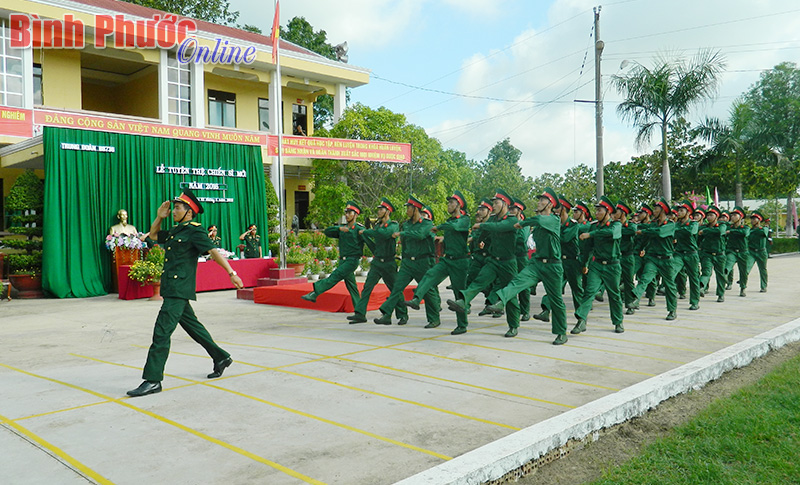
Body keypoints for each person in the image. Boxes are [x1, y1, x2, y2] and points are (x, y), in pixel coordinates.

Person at [127, 188, 244, 397]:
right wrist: (159, 217)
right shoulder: (176, 230)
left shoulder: (195, 231)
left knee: (161, 332)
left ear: (189, 211)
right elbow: (152, 236)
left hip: (179, 288)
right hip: (172, 288)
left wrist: (231, 273)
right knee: (194, 327)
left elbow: (213, 252)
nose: (174, 211)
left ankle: (153, 380)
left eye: (178, 208)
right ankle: (221, 357)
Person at [447, 189, 522, 337]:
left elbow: (499, 228)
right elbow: (486, 234)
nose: (493, 206)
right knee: (479, 281)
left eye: (496, 203)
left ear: (505, 204)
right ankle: (464, 301)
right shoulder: (493, 219)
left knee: (511, 296)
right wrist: (481, 240)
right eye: (493, 203)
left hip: (508, 263)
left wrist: (482, 226)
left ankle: (513, 326)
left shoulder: (512, 220)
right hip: (494, 261)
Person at [405, 190, 471, 332]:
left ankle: (462, 325)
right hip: (447, 260)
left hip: (460, 262)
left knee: (459, 294)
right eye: (448, 202)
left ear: (459, 205)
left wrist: (438, 227)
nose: (449, 205)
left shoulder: (465, 219)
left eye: (451, 202)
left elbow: (455, 227)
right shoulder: (449, 221)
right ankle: (416, 299)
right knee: (430, 275)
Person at [374, 195, 441, 326]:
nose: (407, 211)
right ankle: (386, 314)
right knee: (397, 287)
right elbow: (404, 244)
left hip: (423, 262)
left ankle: (434, 319)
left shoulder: (427, 224)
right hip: (408, 263)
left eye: (409, 208)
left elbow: (420, 235)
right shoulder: (406, 224)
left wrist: (402, 233)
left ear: (415, 209)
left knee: (428, 290)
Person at [301, 201, 365, 318]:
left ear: (356, 214)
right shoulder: (342, 228)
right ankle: (360, 313)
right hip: (343, 260)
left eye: (349, 213)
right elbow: (327, 231)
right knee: (352, 288)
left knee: (335, 276)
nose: (347, 215)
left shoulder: (359, 229)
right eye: (346, 212)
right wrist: (339, 229)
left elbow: (370, 242)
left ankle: (315, 293)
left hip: (352, 261)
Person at [572, 196, 624, 334]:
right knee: (589, 292)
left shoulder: (616, 225)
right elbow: (588, 249)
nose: (597, 213)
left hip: (613, 265)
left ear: (608, 212)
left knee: (614, 295)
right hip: (597, 265)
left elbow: (612, 234)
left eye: (599, 210)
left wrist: (591, 234)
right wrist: (584, 264)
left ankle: (618, 322)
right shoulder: (593, 226)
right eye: (596, 211)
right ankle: (581, 321)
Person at [353, 198, 407, 325]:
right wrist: (368, 236)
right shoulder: (377, 226)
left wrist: (367, 231)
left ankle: (403, 314)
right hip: (377, 262)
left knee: (395, 289)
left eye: (381, 209)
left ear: (387, 212)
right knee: (367, 288)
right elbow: (375, 238)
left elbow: (384, 234)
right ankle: (360, 313)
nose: (378, 211)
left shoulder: (393, 225)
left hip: (389, 262)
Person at [535, 194, 583, 322]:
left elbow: (564, 239)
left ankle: (581, 317)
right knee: (553, 287)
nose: (553, 210)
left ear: (563, 209)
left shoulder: (573, 225)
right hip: (559, 262)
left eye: (556, 207)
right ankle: (546, 310)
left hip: (572, 262)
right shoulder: (553, 222)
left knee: (577, 290)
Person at [632, 197, 678, 320]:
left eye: (656, 209)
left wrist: (644, 231)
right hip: (652, 258)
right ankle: (634, 299)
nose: (654, 211)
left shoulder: (670, 224)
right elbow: (646, 237)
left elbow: (660, 232)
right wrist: (641, 247)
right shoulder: (652, 224)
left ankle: (672, 310)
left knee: (669, 285)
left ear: (662, 210)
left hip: (666, 259)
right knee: (644, 279)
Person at [672, 200, 701, 311]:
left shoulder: (693, 223)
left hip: (691, 254)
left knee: (694, 278)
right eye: (678, 210)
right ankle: (672, 300)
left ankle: (694, 301)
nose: (678, 213)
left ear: (688, 212)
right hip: (679, 253)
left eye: (681, 210)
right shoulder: (676, 224)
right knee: (671, 273)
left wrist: (678, 230)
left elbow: (691, 232)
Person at [698, 205, 727, 303]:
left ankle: (721, 294)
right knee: (706, 272)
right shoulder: (703, 227)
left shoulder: (722, 225)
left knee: (720, 275)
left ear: (717, 216)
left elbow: (720, 232)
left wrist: (705, 231)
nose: (709, 217)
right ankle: (701, 287)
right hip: (707, 254)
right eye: (708, 215)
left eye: (711, 215)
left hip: (719, 255)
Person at [615, 201, 638, 315]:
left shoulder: (631, 225)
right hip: (617, 257)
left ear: (623, 213)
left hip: (628, 257)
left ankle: (630, 303)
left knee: (629, 281)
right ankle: (618, 303)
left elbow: (632, 231)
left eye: (617, 211)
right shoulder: (615, 224)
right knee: (615, 281)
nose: (615, 213)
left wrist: (619, 231)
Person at [725, 206, 750, 297]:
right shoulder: (728, 226)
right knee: (727, 266)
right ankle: (725, 280)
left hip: (743, 252)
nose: (733, 217)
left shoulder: (745, 227)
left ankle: (743, 288)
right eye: (732, 215)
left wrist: (731, 232)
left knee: (743, 271)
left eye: (735, 215)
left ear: (741, 217)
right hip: (731, 251)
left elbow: (744, 233)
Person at [747, 210, 769, 293]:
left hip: (761, 252)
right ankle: (743, 282)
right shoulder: (749, 230)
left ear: (759, 220)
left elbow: (764, 233)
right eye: (752, 219)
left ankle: (763, 286)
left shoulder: (763, 229)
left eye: (754, 219)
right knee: (746, 267)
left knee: (762, 269)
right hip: (751, 252)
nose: (752, 221)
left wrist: (766, 226)